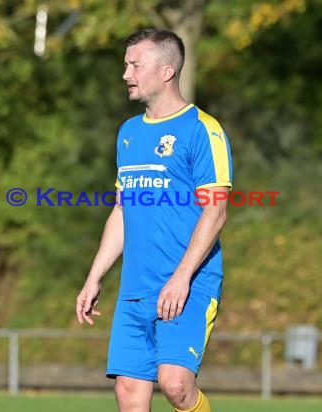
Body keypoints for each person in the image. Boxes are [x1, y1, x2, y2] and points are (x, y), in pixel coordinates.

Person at [76, 28, 233, 412]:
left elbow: (216, 211)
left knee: (176, 385)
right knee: (129, 393)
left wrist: (181, 278)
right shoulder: (129, 133)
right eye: (125, 65)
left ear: (166, 71)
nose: (126, 74)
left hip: (188, 283)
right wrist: (95, 275)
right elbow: (122, 211)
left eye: (135, 65)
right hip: (136, 286)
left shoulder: (203, 130)